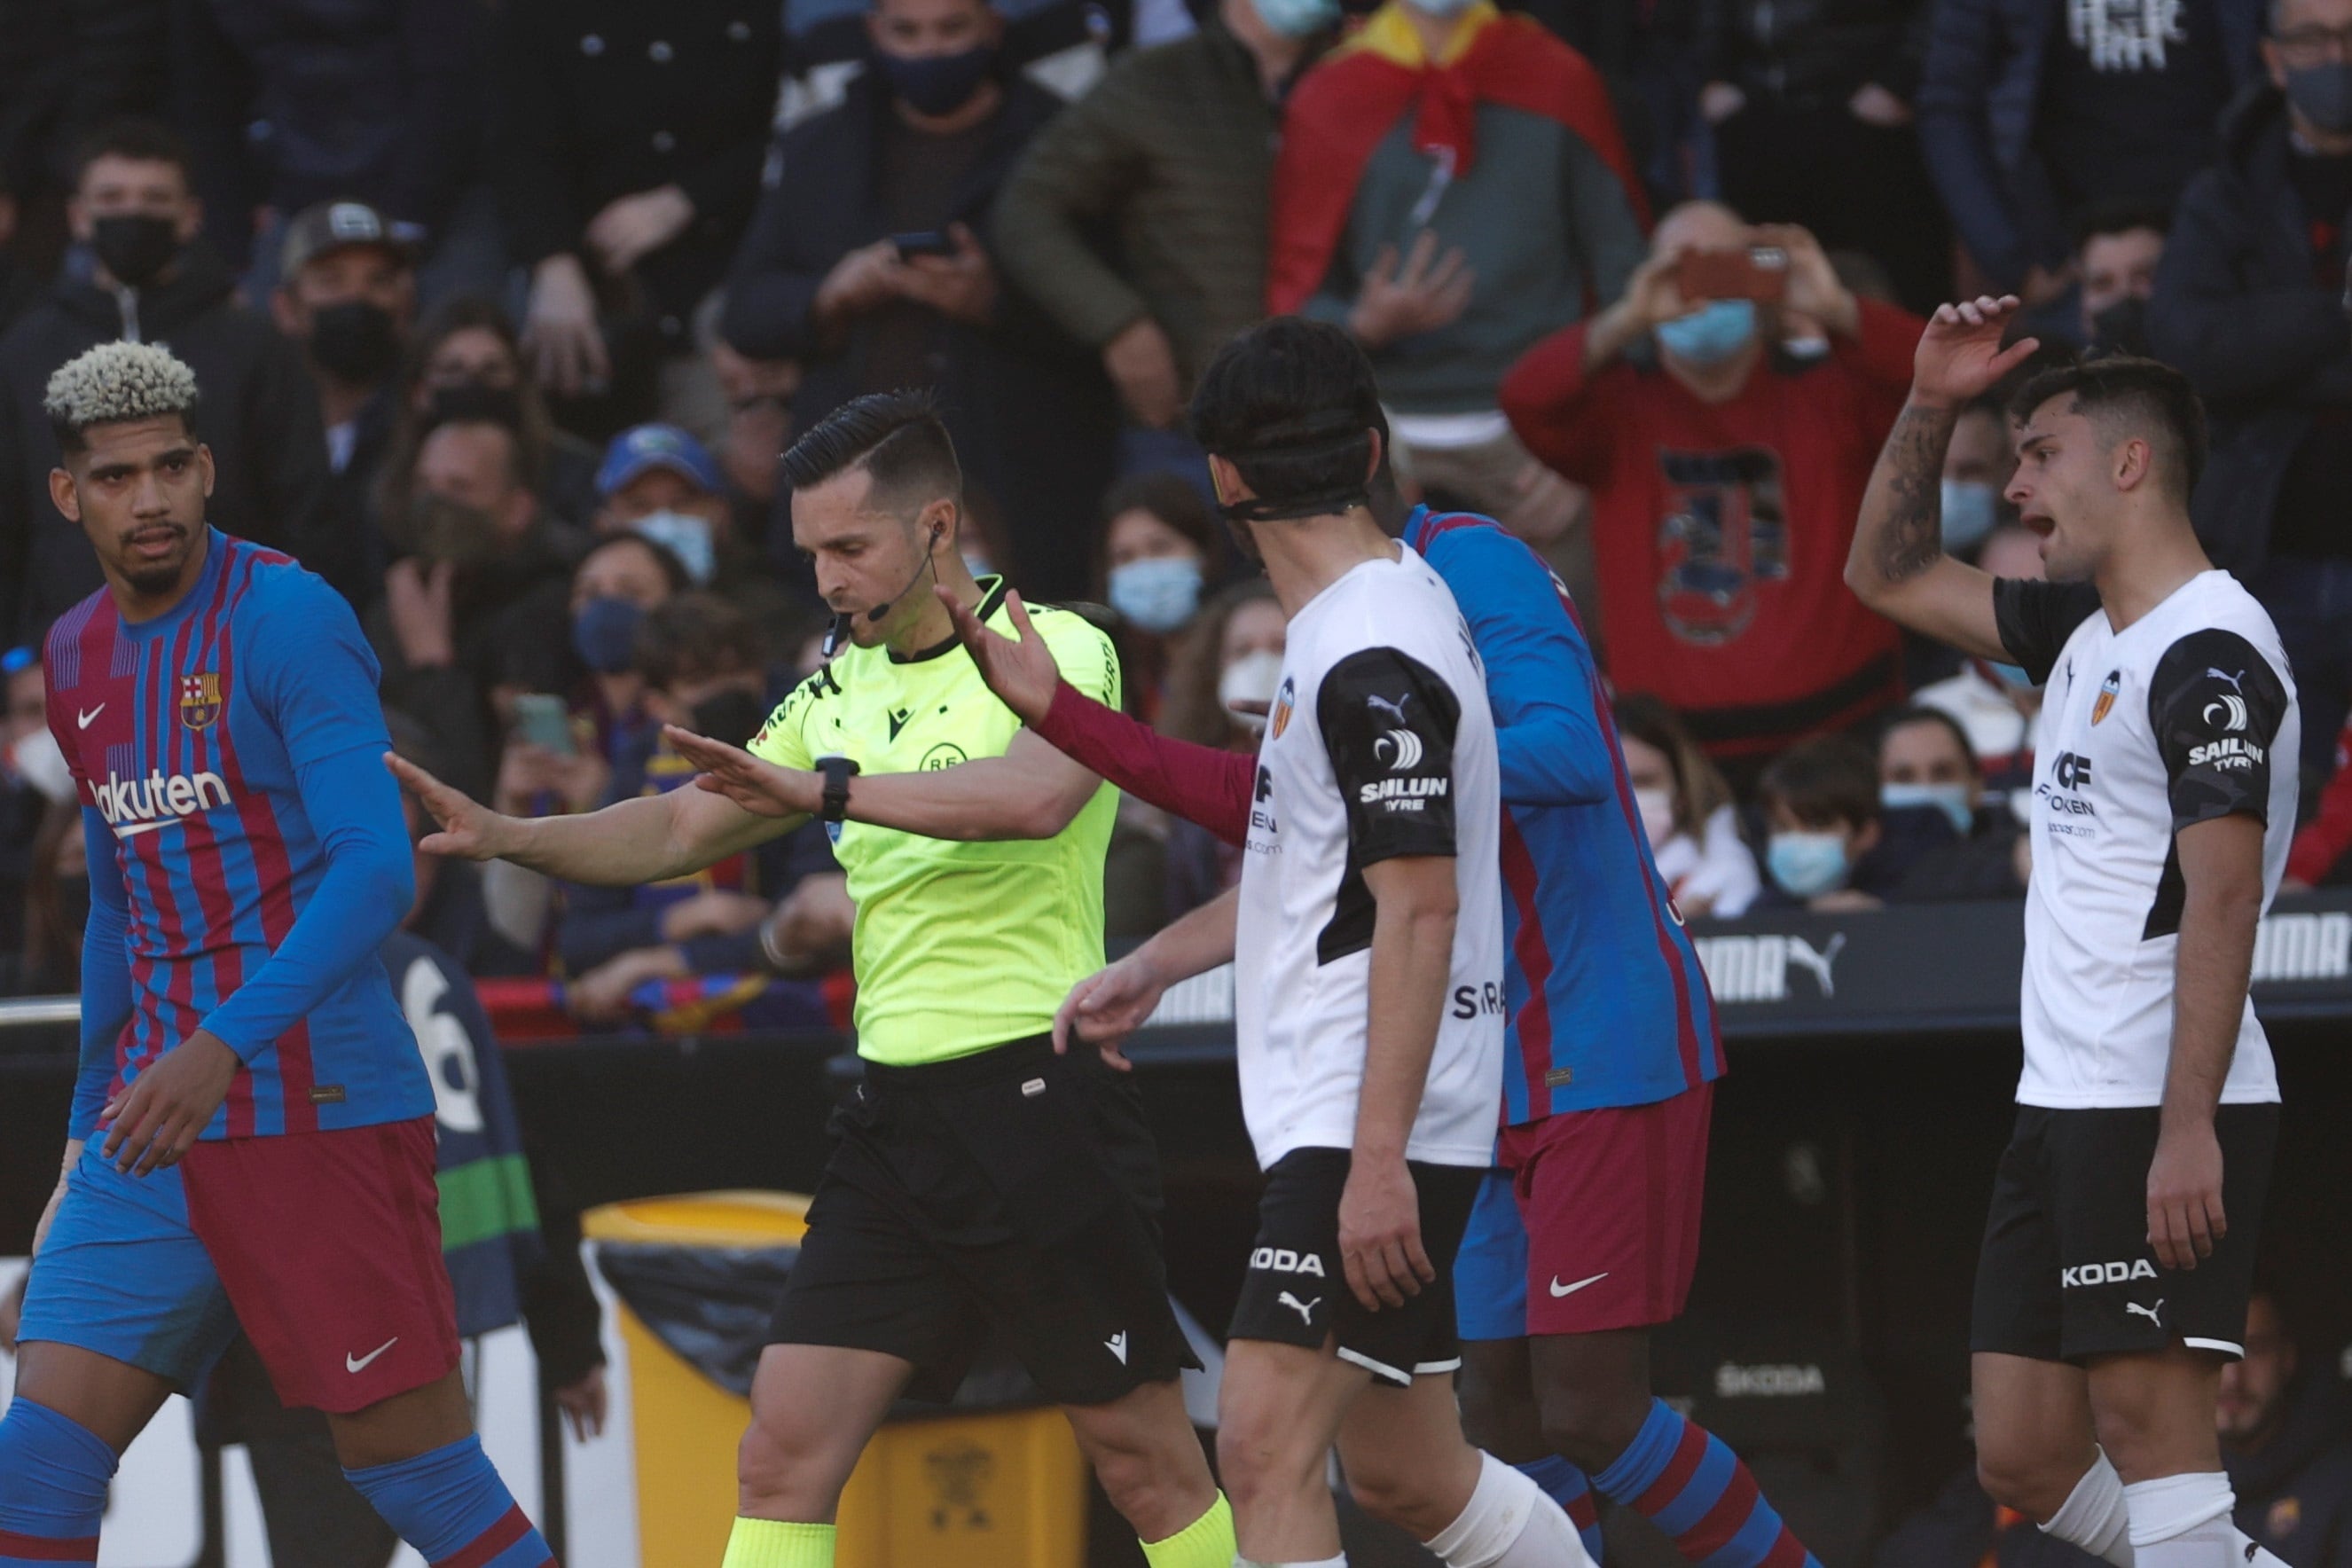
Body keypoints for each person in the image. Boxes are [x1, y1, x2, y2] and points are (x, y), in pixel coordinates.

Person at [931, 318, 1823, 1568]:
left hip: (1573, 1030)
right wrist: (1167, 934)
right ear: (1368, 441)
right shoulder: (1348, 626)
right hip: (1471, 1044)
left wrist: (1389, 757)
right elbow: (1302, 834)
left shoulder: (1444, 582)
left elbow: (1563, 756)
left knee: (1560, 1412)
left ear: (1227, 486)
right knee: (1447, 1450)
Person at [388, 389, 1236, 1568]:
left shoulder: (1060, 645)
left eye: (851, 547)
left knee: (1148, 1466)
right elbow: (681, 830)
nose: (828, 580)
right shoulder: (834, 686)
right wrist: (508, 834)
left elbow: (1036, 796)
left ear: (937, 527)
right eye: (811, 554)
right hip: (892, 1117)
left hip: (1041, 1102)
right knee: (782, 1456)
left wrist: (827, 792)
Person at [1, 341, 556, 1565]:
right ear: (67, 494)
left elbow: (375, 868)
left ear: (206, 470)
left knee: (418, 1480)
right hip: (152, 1124)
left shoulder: (292, 618)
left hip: (319, 1111)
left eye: (168, 470)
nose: (146, 500)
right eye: (113, 478)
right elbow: (114, 902)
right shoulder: (77, 653)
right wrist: (86, 1127)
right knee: (35, 1463)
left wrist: (219, 1046)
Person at [1845, 299, 2301, 1568]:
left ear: (2130, 461)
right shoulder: (2087, 630)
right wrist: (1932, 401)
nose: (2018, 480)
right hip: (2062, 1099)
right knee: (2024, 1454)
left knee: (2156, 1440)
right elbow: (1882, 574)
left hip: (2156, 1095)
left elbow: (2225, 897)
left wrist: (2188, 1121)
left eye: (2039, 451)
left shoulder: (2210, 648)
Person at [719, 0, 1119, 601]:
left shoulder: (1065, 142)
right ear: (874, 32)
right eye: (907, 32)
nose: (930, 50)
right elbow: (746, 310)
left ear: (992, 28)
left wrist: (992, 302)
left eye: (951, 28)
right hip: (851, 491)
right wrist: (829, 295)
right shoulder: (820, 148)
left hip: (1020, 489)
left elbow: (1117, 320)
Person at [1501, 207, 1917, 778]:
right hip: (1681, 763)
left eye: (1725, 267)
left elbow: (1935, 377)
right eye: (1682, 270)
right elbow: (1525, 397)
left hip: (1843, 733)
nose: (1702, 289)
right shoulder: (1617, 412)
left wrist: (1831, 305)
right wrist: (1628, 319)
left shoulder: (1832, 392)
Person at [1267, 0, 1647, 584]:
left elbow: (1629, 281)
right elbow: (1292, 304)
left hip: (1538, 442)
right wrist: (1365, 323)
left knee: (1554, 653)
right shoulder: (1330, 93)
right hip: (1379, 439)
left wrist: (1592, 445)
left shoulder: (1558, 78)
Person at [0, 120, 336, 641]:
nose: (133, 213)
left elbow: (306, 512)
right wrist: (15, 662)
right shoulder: (27, 349)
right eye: (112, 197)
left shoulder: (254, 344)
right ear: (78, 216)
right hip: (68, 659)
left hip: (233, 648)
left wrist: (286, 639)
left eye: (155, 198)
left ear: (190, 217)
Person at [991, 0, 1332, 474]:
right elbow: (1027, 210)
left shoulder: (1366, 73)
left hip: (1347, 414)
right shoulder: (1157, 81)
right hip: (1195, 422)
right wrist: (1120, 327)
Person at [2147, 0, 2352, 780]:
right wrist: (2336, 311)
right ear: (2273, 58)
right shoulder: (2223, 190)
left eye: (2350, 38)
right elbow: (2193, 350)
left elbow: (2237, 350)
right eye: (2313, 39)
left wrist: (2276, 352)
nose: (2335, 56)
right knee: (2265, 804)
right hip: (2268, 564)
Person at [492, 0, 785, 434]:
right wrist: (553, 265)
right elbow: (519, 144)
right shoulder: (538, 13)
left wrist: (685, 200)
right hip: (594, 302)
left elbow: (796, 128)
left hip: (721, 287)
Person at [1915, 0, 2258, 300]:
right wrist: (2012, 260)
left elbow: (2281, 62)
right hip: (2069, 265)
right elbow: (1949, 105)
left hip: (2226, 251)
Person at [173, 0, 494, 302]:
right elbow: (206, 104)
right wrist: (231, 246)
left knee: (461, 342)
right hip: (287, 194)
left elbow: (451, 82)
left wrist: (409, 218)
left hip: (437, 187)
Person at [371, 412, 587, 805]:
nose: (435, 505)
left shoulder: (548, 610)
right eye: (425, 485)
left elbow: (478, 788)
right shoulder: (396, 604)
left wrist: (432, 663)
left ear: (516, 510)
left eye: (460, 487)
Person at [1696, 0, 1948, 313]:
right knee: (1765, 284)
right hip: (1754, 115)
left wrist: (1899, 81)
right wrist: (1713, 77)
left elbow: (1940, 12)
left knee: (1893, 286)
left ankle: (1909, 359)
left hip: (1865, 114)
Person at [270, 198, 419, 592]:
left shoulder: (427, 425)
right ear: (287, 309)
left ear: (405, 308)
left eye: (380, 281)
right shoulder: (256, 430)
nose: (357, 298)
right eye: (331, 280)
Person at [372, 295, 605, 542]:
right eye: (453, 370)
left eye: (492, 370)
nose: (473, 384)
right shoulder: (385, 480)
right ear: (420, 391)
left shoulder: (576, 475)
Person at [1916, 518, 2048, 800]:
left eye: (2043, 597)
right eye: (2004, 596)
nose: (2023, 617)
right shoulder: (1933, 714)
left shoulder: (2113, 705)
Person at [2219, 1292, 2352, 1568]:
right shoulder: (2147, 1479)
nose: (2233, 1377)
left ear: (2288, 1358)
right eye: (2215, 1354)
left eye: (2253, 1350)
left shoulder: (2340, 1479)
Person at [1613, 691, 1760, 918]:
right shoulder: (1561, 875)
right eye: (1613, 783)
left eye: (1643, 782)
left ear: (1682, 790)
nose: (1626, 797)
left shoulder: (1725, 873)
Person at [1098, 471, 1224, 717]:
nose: (1144, 569)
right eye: (1125, 557)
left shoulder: (1242, 650)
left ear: (1203, 553)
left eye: (1160, 547)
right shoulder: (1117, 678)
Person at [1880, 703, 2033, 901]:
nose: (1926, 787)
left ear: (1976, 783)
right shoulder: (1852, 860)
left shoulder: (2018, 847)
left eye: (1943, 773)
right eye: (1904, 778)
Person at [1754, 733, 1917, 909]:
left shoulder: (1916, 895)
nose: (1797, 839)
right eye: (1782, 828)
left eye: (1816, 827)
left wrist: (1882, 918)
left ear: (1866, 834)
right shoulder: (1762, 912)